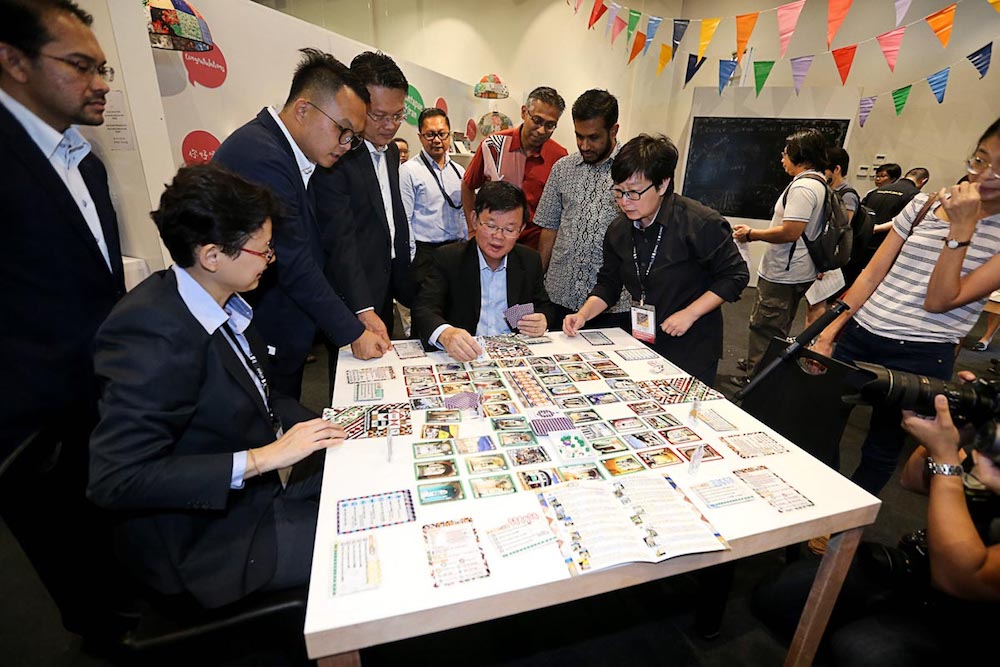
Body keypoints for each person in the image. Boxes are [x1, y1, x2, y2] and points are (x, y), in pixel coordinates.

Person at [89, 164, 346, 609]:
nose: (270, 260)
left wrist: (339, 424)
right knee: (364, 541)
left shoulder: (217, 302)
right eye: (263, 250)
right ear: (211, 256)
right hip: (207, 541)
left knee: (365, 484)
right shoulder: (151, 332)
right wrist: (263, 458)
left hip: (254, 496)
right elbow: (117, 479)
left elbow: (260, 395)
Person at [0, 0, 124, 635]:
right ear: (15, 62)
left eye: (103, 69)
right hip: (29, 416)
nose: (100, 84)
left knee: (109, 536)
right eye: (80, 66)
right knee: (71, 558)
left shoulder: (87, 162)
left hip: (98, 396)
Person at [812, 119, 1000, 496]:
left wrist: (961, 230)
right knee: (818, 425)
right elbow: (871, 274)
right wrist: (829, 332)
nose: (985, 175)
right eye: (981, 159)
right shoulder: (925, 203)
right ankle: (817, 500)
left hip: (922, 354)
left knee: (882, 447)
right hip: (861, 333)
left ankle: (848, 515)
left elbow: (939, 300)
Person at [752, 387, 1000, 665]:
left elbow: (958, 580)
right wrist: (955, 434)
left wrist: (946, 461)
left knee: (857, 649)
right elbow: (912, 479)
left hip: (970, 607)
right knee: (777, 596)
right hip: (923, 573)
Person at [213, 48, 386, 400]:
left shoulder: (290, 154)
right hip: (259, 332)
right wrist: (353, 332)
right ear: (304, 109)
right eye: (343, 130)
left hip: (283, 331)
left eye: (353, 137)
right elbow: (294, 261)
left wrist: (360, 312)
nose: (346, 145)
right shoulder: (261, 156)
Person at [563, 134, 748, 385]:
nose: (624, 202)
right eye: (618, 192)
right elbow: (609, 284)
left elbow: (735, 275)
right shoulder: (619, 230)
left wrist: (690, 314)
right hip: (643, 339)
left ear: (662, 185)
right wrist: (583, 315)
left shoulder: (700, 223)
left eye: (634, 192)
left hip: (692, 343)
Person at [315, 50, 413, 374]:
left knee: (384, 375)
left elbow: (391, 221)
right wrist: (361, 306)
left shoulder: (390, 153)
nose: (390, 126)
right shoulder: (337, 155)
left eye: (397, 116)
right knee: (350, 379)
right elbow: (339, 238)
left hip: (384, 286)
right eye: (379, 116)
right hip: (350, 295)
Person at [413, 181, 553, 361]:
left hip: (513, 355)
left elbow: (544, 306)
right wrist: (446, 334)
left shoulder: (529, 260)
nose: (498, 236)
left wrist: (542, 319)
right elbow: (424, 309)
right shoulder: (449, 258)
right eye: (491, 226)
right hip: (465, 353)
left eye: (509, 229)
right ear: (474, 220)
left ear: (521, 230)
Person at [732, 129, 829, 383]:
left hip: (785, 271)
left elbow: (790, 231)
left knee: (766, 325)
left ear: (800, 155)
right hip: (797, 268)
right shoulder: (819, 182)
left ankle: (756, 379)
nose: (782, 158)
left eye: (786, 153)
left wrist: (752, 234)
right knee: (775, 324)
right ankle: (758, 365)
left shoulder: (804, 187)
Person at [534, 89, 630, 332]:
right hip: (560, 294)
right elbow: (549, 228)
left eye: (594, 137)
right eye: (579, 136)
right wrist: (537, 284)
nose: (584, 145)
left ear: (614, 130)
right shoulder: (562, 169)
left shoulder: (632, 171)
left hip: (612, 304)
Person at [461, 86, 568, 250]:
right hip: (494, 241)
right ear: (524, 112)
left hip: (533, 246)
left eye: (550, 125)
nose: (541, 130)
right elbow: (468, 185)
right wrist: (472, 229)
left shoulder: (559, 157)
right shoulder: (493, 145)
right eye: (537, 120)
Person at [399, 107, 467, 288]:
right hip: (425, 254)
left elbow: (463, 213)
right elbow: (405, 219)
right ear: (420, 137)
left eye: (442, 134)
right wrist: (412, 258)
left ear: (449, 135)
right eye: (430, 135)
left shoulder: (459, 171)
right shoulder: (408, 171)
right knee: (425, 303)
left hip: (455, 250)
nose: (437, 140)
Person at [804, 146, 860, 327]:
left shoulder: (847, 196)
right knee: (812, 303)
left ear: (836, 169)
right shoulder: (828, 191)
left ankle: (811, 343)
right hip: (822, 257)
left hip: (829, 260)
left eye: (824, 170)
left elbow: (840, 232)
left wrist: (825, 264)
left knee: (817, 304)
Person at [857, 166, 930, 271]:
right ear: (924, 181)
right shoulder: (916, 196)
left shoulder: (875, 191)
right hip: (886, 246)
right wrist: (878, 228)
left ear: (904, 176)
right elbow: (905, 220)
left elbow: (861, 212)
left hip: (862, 243)